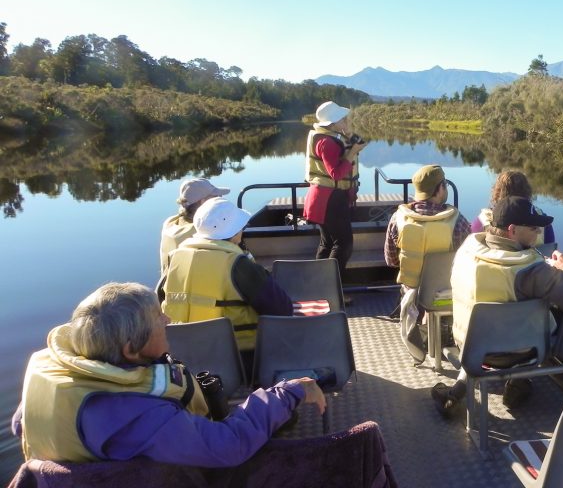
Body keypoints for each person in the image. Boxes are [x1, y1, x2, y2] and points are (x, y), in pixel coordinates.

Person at [11, 281, 326, 466]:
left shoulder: (47, 366)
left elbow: (20, 425)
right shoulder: (139, 416)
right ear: (131, 351)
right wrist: (288, 392)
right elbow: (229, 445)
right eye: (157, 317)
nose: (168, 318)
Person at [431, 196, 563, 417]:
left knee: (497, 318)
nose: (538, 234)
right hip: (516, 353)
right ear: (513, 230)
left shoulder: (467, 249)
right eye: (534, 228)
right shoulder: (530, 271)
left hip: (469, 346)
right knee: (559, 313)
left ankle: (458, 390)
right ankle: (519, 380)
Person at [158, 197, 293, 374]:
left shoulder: (174, 258)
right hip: (238, 360)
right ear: (234, 232)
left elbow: (161, 301)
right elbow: (283, 309)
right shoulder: (238, 265)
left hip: (183, 361)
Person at [384, 164, 471, 362]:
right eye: (445, 185)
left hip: (412, 293)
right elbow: (469, 258)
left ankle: (419, 332)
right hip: (446, 295)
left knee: (410, 287)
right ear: (440, 188)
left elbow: (390, 260)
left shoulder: (397, 218)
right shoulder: (457, 220)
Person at [303, 101, 367, 293]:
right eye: (342, 118)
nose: (346, 120)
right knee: (344, 244)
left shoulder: (329, 136)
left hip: (323, 198)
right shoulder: (326, 142)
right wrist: (352, 153)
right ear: (332, 122)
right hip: (329, 199)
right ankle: (332, 291)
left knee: (328, 242)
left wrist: (349, 135)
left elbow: (361, 144)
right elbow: (336, 174)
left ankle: (319, 288)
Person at [159, 178, 229, 275]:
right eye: (216, 197)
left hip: (170, 287)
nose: (220, 199)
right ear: (203, 202)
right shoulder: (205, 231)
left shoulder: (169, 223)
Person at [470, 170, 555, 244]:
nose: (538, 230)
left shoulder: (480, 222)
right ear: (527, 192)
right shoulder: (543, 220)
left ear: (496, 193)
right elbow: (551, 249)